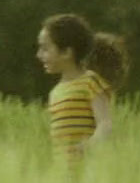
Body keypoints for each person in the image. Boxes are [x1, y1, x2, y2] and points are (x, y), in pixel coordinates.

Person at [35, 13, 129, 165]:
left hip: (87, 169)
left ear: (67, 52)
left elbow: (105, 124)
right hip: (63, 171)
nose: (39, 55)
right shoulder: (55, 92)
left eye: (45, 49)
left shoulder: (90, 82)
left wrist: (88, 146)